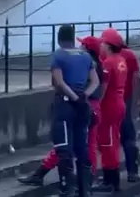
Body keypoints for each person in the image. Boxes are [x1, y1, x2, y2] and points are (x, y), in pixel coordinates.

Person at [19, 36, 104, 189]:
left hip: (82, 104)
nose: (79, 46)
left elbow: (62, 83)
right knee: (80, 145)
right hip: (91, 104)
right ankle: (83, 181)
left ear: (86, 47)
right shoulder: (94, 63)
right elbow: (97, 83)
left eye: (82, 44)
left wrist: (77, 97)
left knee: (69, 145)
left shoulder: (82, 62)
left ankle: (79, 181)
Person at [49, 24, 99, 197]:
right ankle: (85, 190)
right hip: (83, 106)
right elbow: (95, 81)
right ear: (72, 37)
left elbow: (59, 82)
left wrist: (73, 97)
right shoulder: (85, 56)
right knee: (81, 148)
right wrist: (84, 95)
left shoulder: (58, 55)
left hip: (65, 104)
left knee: (64, 148)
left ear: (59, 38)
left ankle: (67, 189)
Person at [93, 28, 127, 194]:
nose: (100, 46)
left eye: (102, 43)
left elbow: (104, 87)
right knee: (113, 141)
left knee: (107, 142)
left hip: (109, 106)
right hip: (119, 103)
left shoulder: (108, 63)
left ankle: (110, 180)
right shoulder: (121, 60)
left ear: (108, 45)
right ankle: (112, 179)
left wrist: (96, 104)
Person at [120, 44, 140, 182]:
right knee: (129, 138)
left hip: (108, 103)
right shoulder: (129, 55)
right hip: (125, 101)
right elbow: (136, 79)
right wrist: (138, 99)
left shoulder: (104, 57)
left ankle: (108, 178)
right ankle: (132, 172)